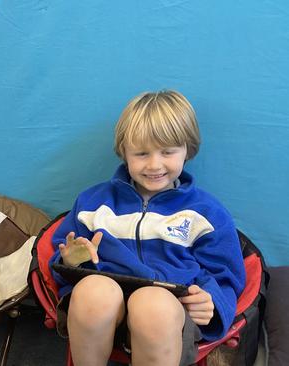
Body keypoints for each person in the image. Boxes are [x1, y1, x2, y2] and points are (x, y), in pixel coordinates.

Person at [49, 90, 246, 366]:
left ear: (187, 149)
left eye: (167, 152)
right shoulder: (93, 203)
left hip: (168, 312)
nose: (154, 165)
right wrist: (71, 260)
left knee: (153, 305)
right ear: (124, 152)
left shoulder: (207, 213)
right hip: (101, 311)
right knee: (94, 291)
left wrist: (211, 301)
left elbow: (227, 276)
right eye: (141, 153)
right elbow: (59, 257)